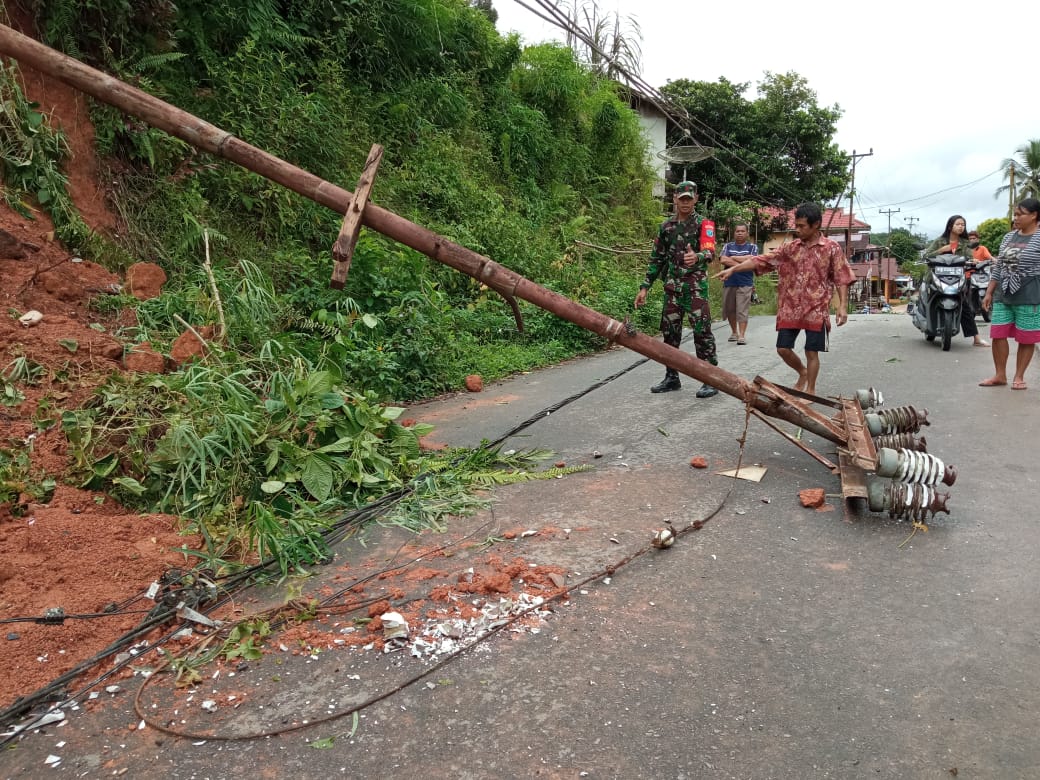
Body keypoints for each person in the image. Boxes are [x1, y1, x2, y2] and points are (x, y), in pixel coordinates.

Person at [713, 202, 855, 395]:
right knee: (782, 348)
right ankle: (802, 372)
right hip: (790, 307)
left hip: (816, 309)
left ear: (816, 225)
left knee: (811, 352)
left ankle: (810, 391)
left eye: (802, 226)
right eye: (796, 225)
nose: (797, 230)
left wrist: (842, 307)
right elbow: (761, 260)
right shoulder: (790, 248)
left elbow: (841, 277)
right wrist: (733, 268)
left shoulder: (831, 248)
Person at [634, 180, 719, 397]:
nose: (685, 203)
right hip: (672, 289)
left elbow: (710, 251)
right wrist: (645, 287)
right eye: (682, 199)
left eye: (689, 199)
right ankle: (672, 377)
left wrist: (697, 256)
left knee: (702, 332)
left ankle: (711, 379)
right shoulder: (665, 227)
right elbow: (657, 259)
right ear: (674, 200)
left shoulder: (704, 224)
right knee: (670, 334)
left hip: (695, 287)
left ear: (696, 199)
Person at [979, 197, 1040, 390]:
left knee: (1026, 336)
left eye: (1020, 214)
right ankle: (1000, 375)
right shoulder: (1009, 237)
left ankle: (1019, 376)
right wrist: (989, 292)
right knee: (998, 333)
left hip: (1029, 292)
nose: (1016, 218)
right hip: (1004, 292)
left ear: (1034, 215)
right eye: (1015, 214)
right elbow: (999, 267)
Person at [922, 215, 989, 346]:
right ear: (950, 226)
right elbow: (926, 256)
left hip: (957, 278)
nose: (961, 226)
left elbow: (970, 257)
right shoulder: (940, 241)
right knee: (927, 295)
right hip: (937, 276)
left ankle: (976, 338)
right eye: (958, 224)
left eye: (963, 224)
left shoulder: (965, 243)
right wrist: (941, 250)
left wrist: (974, 260)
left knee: (963, 304)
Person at [720, 223, 757, 345]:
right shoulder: (727, 246)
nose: (740, 233)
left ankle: (742, 335)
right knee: (730, 309)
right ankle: (734, 332)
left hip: (745, 282)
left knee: (742, 309)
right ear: (734, 233)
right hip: (729, 281)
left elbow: (753, 260)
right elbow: (723, 259)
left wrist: (733, 257)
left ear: (747, 233)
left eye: (742, 231)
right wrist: (742, 265)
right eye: (737, 231)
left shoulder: (753, 247)